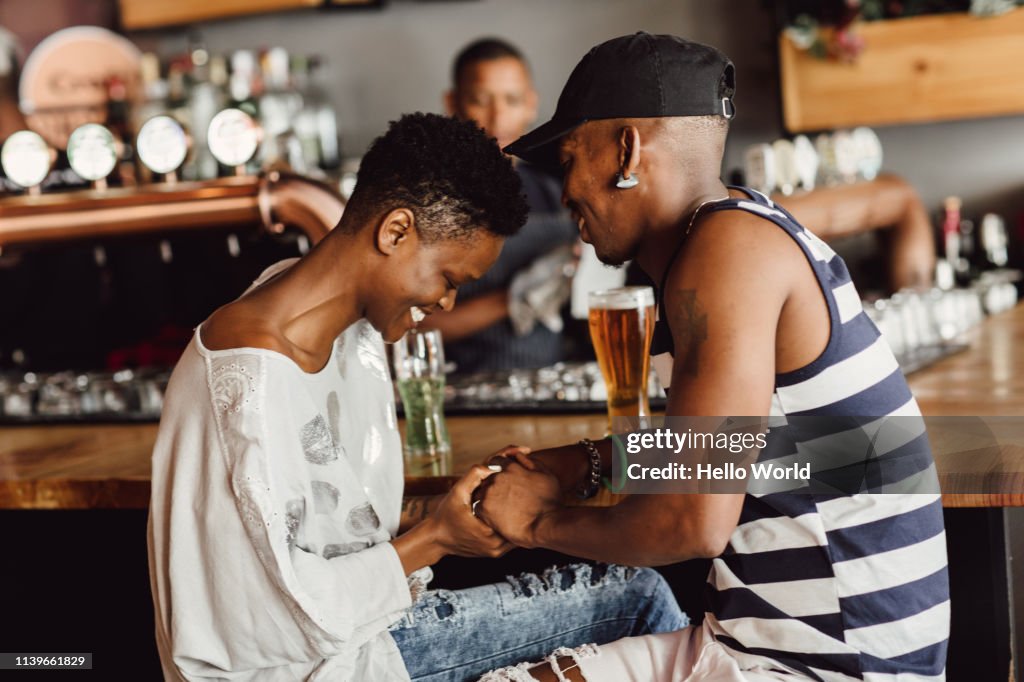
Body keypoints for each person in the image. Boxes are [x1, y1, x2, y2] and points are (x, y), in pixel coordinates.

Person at [476, 33, 950, 681]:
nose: (565, 194)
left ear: (627, 150)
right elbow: (771, 454)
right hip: (767, 643)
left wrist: (535, 521)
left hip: (829, 666)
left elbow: (692, 518)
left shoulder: (726, 254)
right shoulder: (736, 230)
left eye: (568, 158)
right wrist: (581, 462)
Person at [147, 112, 685, 682]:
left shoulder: (335, 317)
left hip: (360, 634)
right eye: (450, 280)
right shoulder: (246, 387)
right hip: (314, 669)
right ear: (396, 231)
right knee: (639, 599)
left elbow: (321, 526)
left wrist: (442, 512)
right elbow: (255, 620)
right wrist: (438, 538)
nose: (449, 304)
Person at [423, 38, 579, 373]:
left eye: (512, 100)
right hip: (462, 389)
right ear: (452, 103)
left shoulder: (558, 191)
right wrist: (513, 301)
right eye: (481, 100)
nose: (498, 117)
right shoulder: (430, 203)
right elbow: (409, 330)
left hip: (550, 383)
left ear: (531, 104)